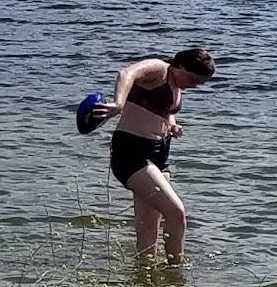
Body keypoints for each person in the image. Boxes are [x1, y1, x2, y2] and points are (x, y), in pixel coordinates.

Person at [91, 46, 217, 263]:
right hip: (131, 151)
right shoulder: (160, 69)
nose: (194, 86)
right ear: (180, 65)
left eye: (199, 83)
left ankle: (146, 275)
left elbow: (164, 111)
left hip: (159, 154)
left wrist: (172, 124)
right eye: (193, 79)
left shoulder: (176, 86)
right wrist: (118, 104)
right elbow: (126, 73)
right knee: (176, 213)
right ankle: (176, 271)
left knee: (148, 228)